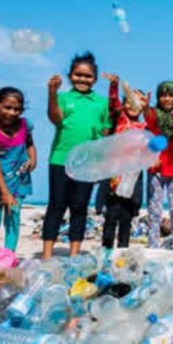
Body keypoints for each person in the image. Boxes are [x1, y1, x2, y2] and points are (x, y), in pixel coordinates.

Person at [42, 52, 110, 258]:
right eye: (78, 75)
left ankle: (73, 255)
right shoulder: (63, 98)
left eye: (87, 76)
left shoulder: (101, 102)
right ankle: (46, 255)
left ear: (95, 79)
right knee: (56, 206)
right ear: (70, 76)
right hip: (60, 159)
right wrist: (52, 92)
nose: (82, 79)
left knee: (79, 208)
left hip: (88, 164)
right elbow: (55, 118)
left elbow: (105, 133)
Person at [0, 87, 35, 252]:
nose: (11, 112)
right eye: (7, 107)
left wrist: (33, 158)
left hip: (18, 182)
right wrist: (4, 193)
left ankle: (9, 256)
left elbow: (30, 143)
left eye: (16, 109)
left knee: (13, 221)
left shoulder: (26, 125)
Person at [100, 74, 147, 250]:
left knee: (127, 217)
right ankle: (106, 251)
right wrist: (115, 86)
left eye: (138, 102)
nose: (133, 105)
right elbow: (113, 103)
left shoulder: (144, 126)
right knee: (111, 215)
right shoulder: (121, 119)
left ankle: (123, 251)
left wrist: (147, 105)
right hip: (115, 175)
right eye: (129, 101)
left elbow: (154, 123)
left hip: (133, 178)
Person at [144, 81, 173, 245]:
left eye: (171, 95)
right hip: (155, 169)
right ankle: (153, 244)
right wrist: (145, 107)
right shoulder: (154, 115)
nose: (167, 99)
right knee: (154, 211)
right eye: (163, 95)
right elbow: (149, 121)